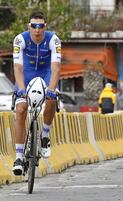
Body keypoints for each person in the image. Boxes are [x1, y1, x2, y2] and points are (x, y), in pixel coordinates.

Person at [12, 11, 61, 175]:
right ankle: (19, 157)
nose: (37, 29)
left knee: (51, 100)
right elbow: (18, 67)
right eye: (34, 26)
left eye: (40, 26)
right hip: (26, 76)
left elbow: (56, 68)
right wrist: (20, 89)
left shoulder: (54, 40)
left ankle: (45, 136)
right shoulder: (20, 39)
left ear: (45, 27)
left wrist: (52, 90)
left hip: (46, 74)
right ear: (29, 26)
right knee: (20, 110)